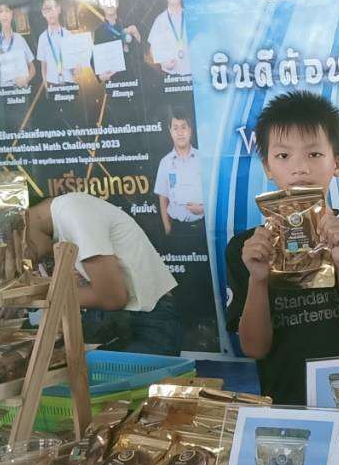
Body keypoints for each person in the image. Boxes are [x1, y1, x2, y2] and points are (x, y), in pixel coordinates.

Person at [227, 92, 339, 405]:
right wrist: (258, 278)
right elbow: (254, 348)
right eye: (283, 156)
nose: (299, 168)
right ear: (267, 166)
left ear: (337, 162)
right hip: (287, 402)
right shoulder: (247, 249)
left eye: (314, 154)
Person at [25, 190, 180, 355]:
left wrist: (36, 294)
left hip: (146, 324)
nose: (26, 257)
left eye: (21, 249)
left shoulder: (74, 213)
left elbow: (113, 298)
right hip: (121, 319)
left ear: (21, 221)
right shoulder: (65, 217)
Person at [154, 111, 205, 239]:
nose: (180, 132)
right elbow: (163, 198)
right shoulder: (165, 162)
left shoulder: (203, 159)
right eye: (175, 128)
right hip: (177, 229)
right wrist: (168, 229)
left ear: (190, 130)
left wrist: (203, 209)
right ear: (170, 131)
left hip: (203, 228)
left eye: (183, 127)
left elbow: (214, 193)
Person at [92, 0, 141, 83]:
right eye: (106, 1)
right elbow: (94, 58)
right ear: (101, 6)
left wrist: (137, 38)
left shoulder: (129, 26)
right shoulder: (98, 32)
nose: (109, 4)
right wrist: (99, 76)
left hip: (132, 81)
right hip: (113, 83)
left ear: (117, 3)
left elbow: (139, 56)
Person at [146, 0, 189, 77]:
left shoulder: (191, 17)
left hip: (193, 76)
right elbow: (153, 49)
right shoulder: (160, 20)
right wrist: (162, 62)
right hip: (171, 77)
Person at [0, 3, 35, 90]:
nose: (4, 14)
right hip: (6, 91)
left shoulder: (20, 39)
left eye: (7, 11)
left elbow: (32, 69)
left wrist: (26, 80)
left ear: (11, 14)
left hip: (22, 90)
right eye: (1, 11)